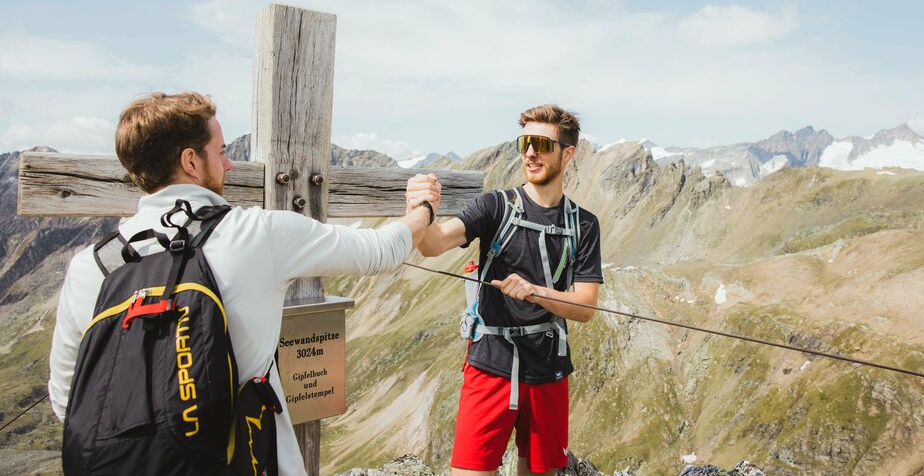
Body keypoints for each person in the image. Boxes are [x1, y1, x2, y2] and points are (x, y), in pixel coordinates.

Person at [48, 91, 439, 476]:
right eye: (219, 151)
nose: (229, 164)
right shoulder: (255, 234)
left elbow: (69, 398)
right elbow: (379, 251)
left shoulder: (90, 267)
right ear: (190, 161)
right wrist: (423, 209)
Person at [407, 104, 603, 476]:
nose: (530, 153)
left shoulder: (585, 225)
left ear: (568, 153)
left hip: (548, 369)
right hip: (490, 363)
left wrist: (535, 291)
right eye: (525, 142)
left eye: (542, 144)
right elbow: (432, 244)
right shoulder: (495, 206)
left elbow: (586, 307)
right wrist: (420, 207)